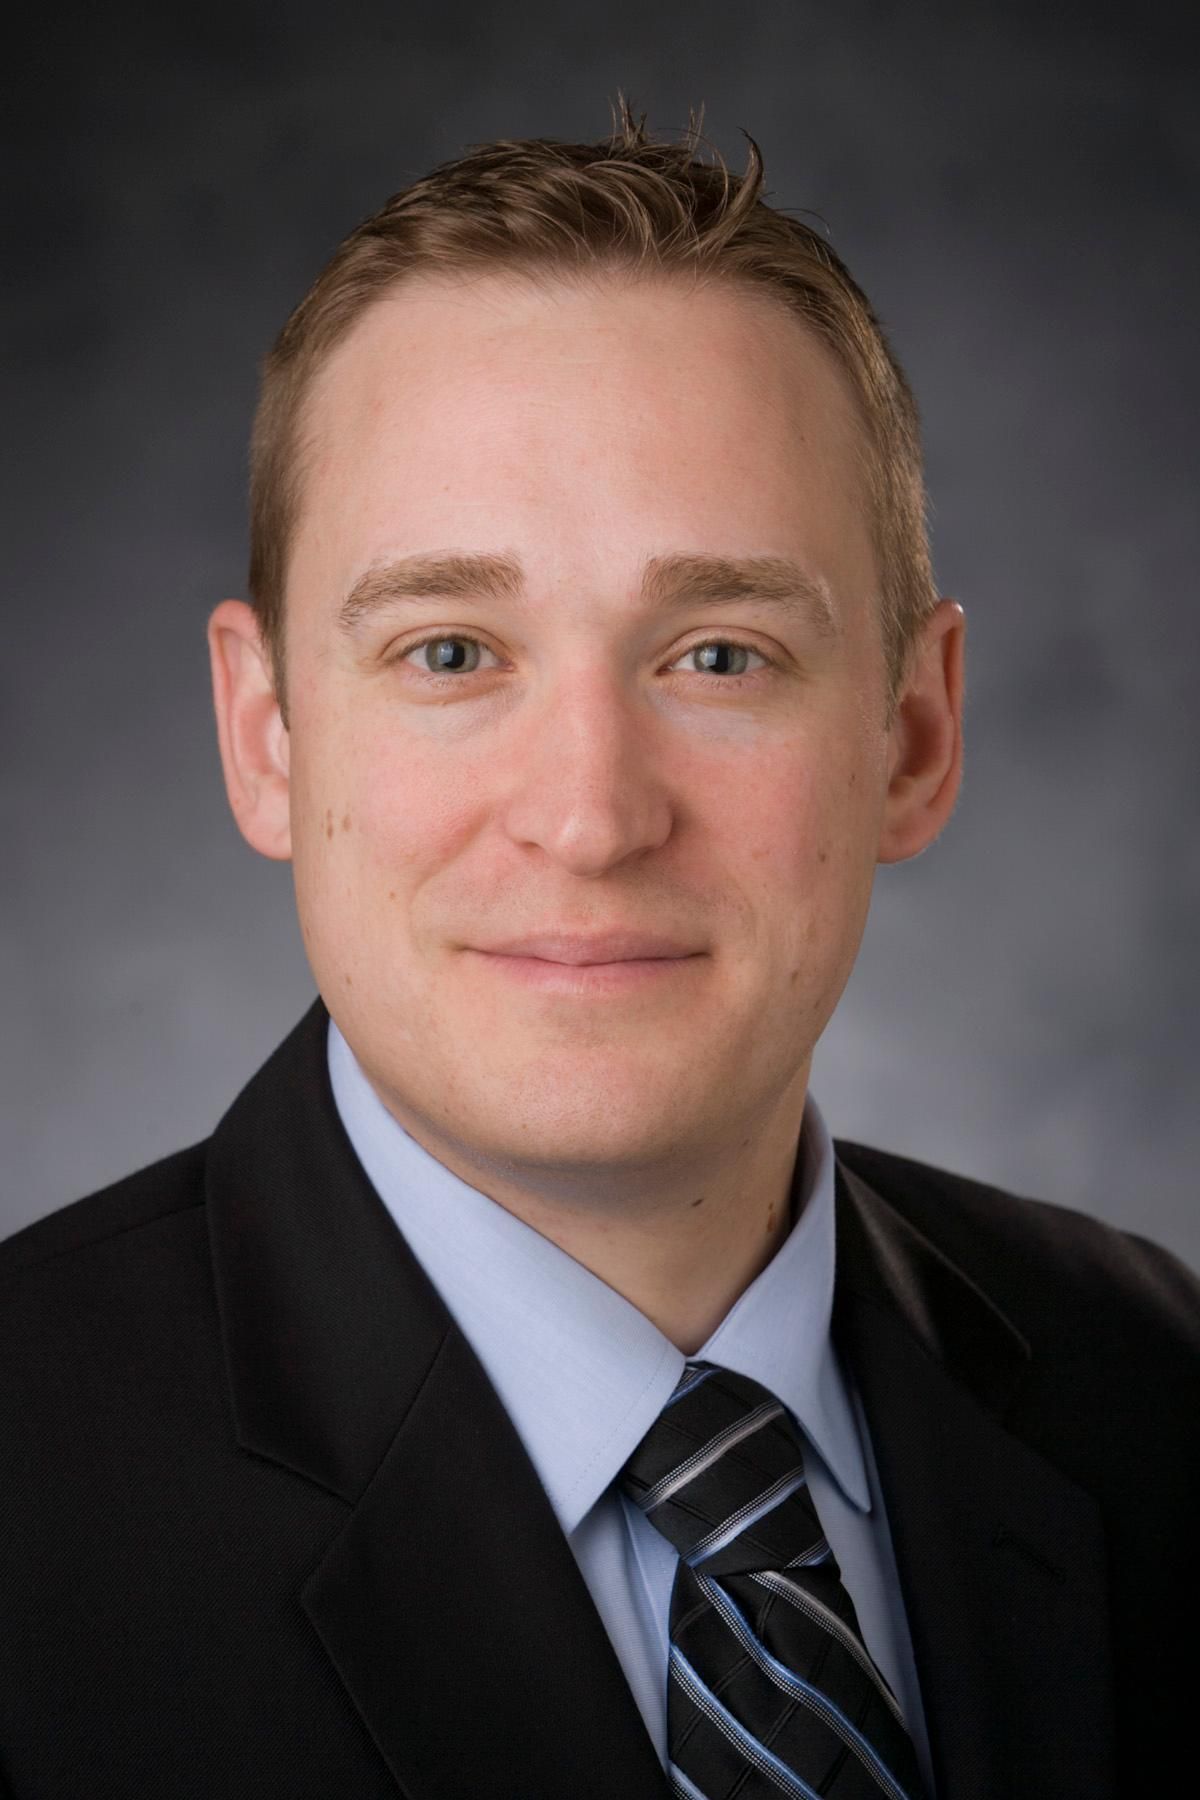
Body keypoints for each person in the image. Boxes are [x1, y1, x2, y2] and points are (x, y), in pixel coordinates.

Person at [1, 102, 1196, 1800]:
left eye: (719, 655)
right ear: (266, 737)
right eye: (450, 651)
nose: (589, 816)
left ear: (914, 738)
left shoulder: (1159, 1387)